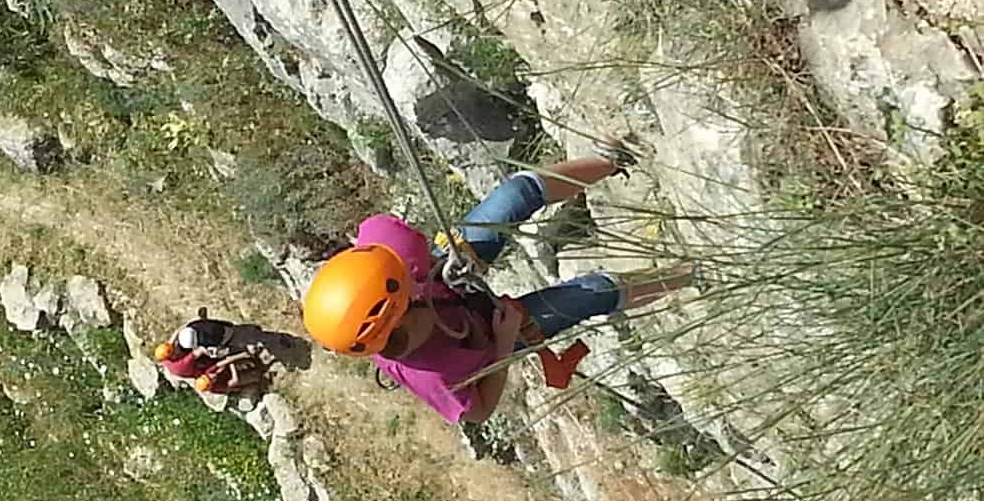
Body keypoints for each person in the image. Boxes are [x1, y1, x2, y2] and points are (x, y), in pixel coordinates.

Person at [302, 141, 699, 424]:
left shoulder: (388, 266)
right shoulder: (432, 372)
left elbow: (382, 232)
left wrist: (446, 264)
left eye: (406, 279)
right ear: (400, 323)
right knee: (592, 293)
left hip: (450, 272)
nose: (408, 277)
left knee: (515, 195)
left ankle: (612, 159)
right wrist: (506, 343)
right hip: (494, 338)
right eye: (409, 290)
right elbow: (477, 412)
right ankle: (690, 272)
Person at [154, 308, 237, 378]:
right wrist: (215, 352)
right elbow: (200, 351)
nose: (175, 348)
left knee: (191, 339)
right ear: (172, 356)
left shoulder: (166, 354)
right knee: (213, 355)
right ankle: (234, 353)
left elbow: (176, 333)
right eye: (174, 351)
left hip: (190, 359)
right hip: (202, 371)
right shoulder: (182, 364)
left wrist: (189, 327)